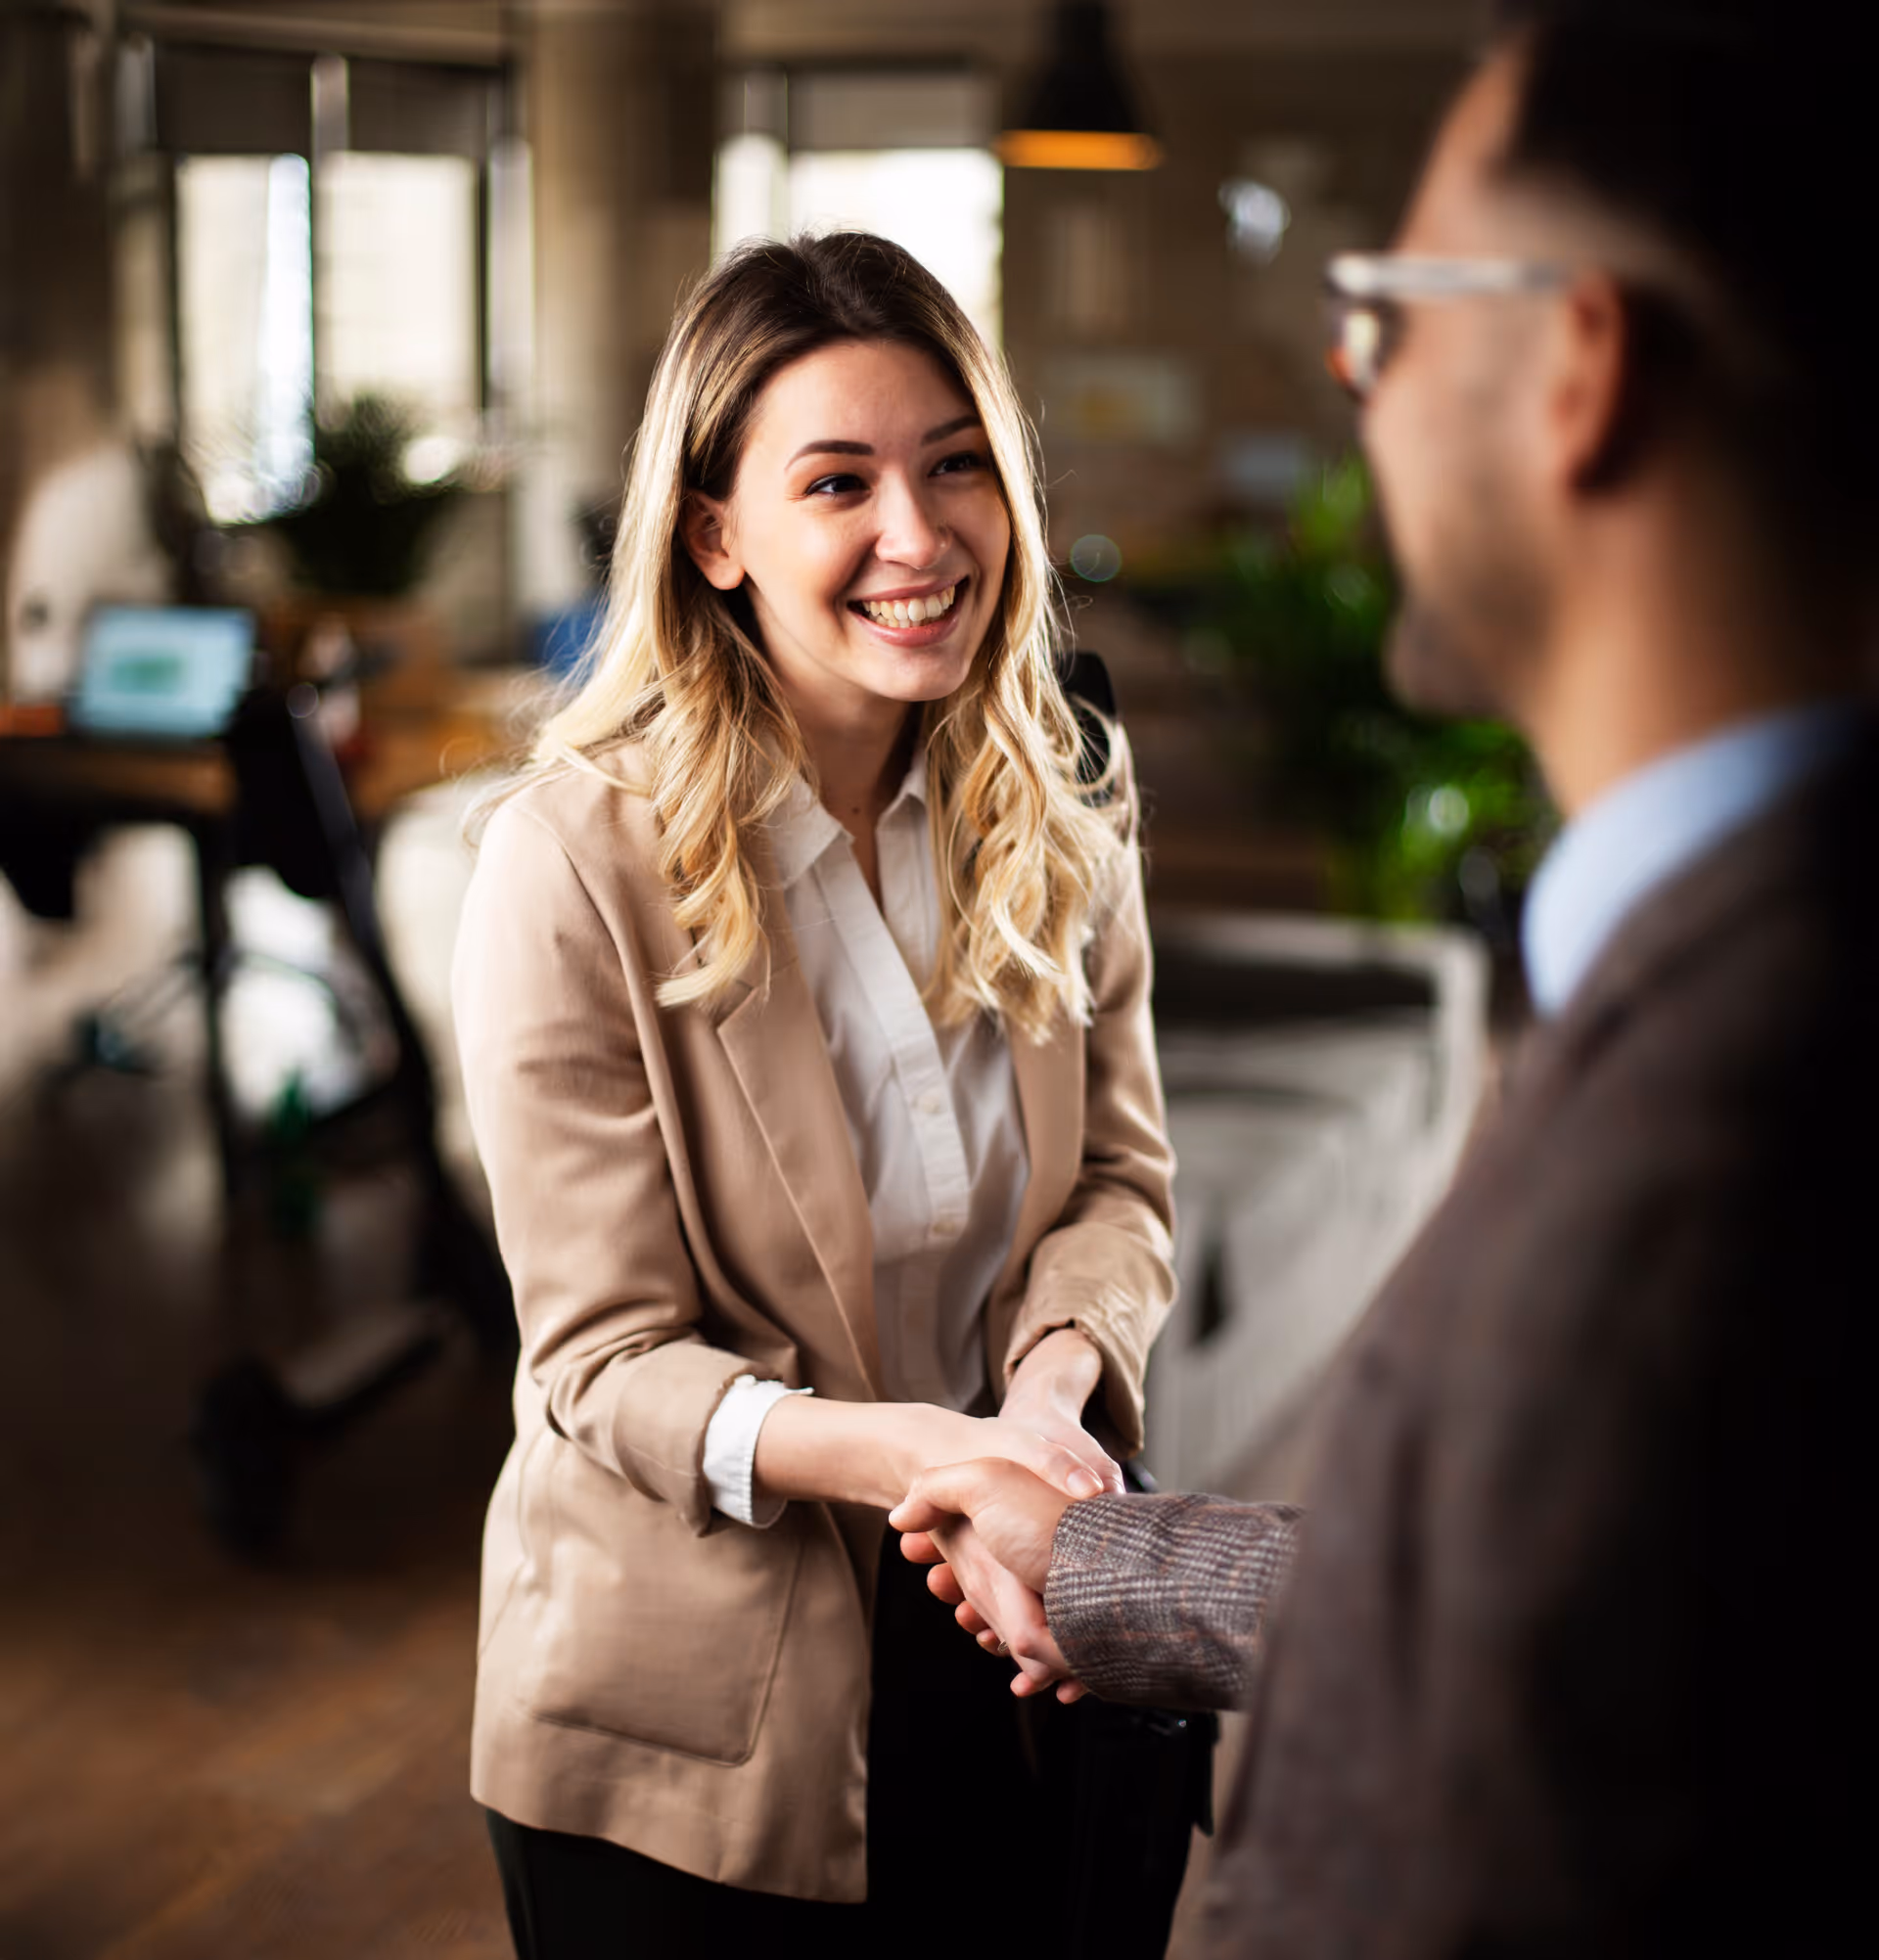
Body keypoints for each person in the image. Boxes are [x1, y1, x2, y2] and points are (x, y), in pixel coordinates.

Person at [892, 3, 1875, 1952]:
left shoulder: (1741, 1124)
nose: (1357, 389)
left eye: (1391, 319)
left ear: (1579, 367)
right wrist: (1102, 1562)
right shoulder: (1697, 977)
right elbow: (1588, 1593)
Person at [450, 231, 1182, 1956]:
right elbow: (604, 1366)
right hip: (694, 1691)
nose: (919, 538)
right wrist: (940, 1449)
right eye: (837, 481)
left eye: (955, 468)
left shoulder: (1065, 789)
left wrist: (1051, 1406)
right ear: (716, 535)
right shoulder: (571, 863)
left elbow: (1122, 1190)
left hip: (1020, 1607)